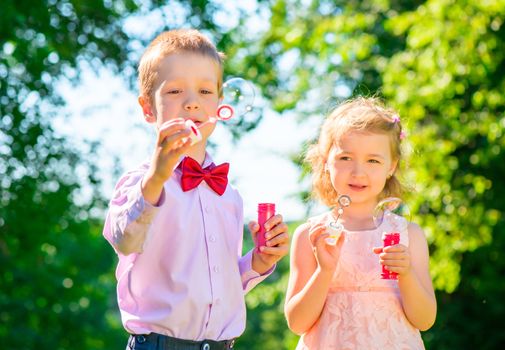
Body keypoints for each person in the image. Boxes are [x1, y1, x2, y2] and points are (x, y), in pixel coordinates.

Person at [102, 29, 289, 350]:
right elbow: (125, 239)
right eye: (175, 91)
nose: (192, 103)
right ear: (148, 108)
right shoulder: (139, 181)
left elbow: (220, 282)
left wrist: (257, 261)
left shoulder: (228, 195)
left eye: (205, 91)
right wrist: (157, 178)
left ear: (220, 104)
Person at [285, 97, 436, 349]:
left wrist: (406, 273)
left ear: (392, 166)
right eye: (345, 158)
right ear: (325, 162)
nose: (358, 172)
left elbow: (425, 319)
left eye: (373, 160)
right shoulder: (311, 235)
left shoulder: (407, 235)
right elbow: (297, 323)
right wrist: (324, 271)